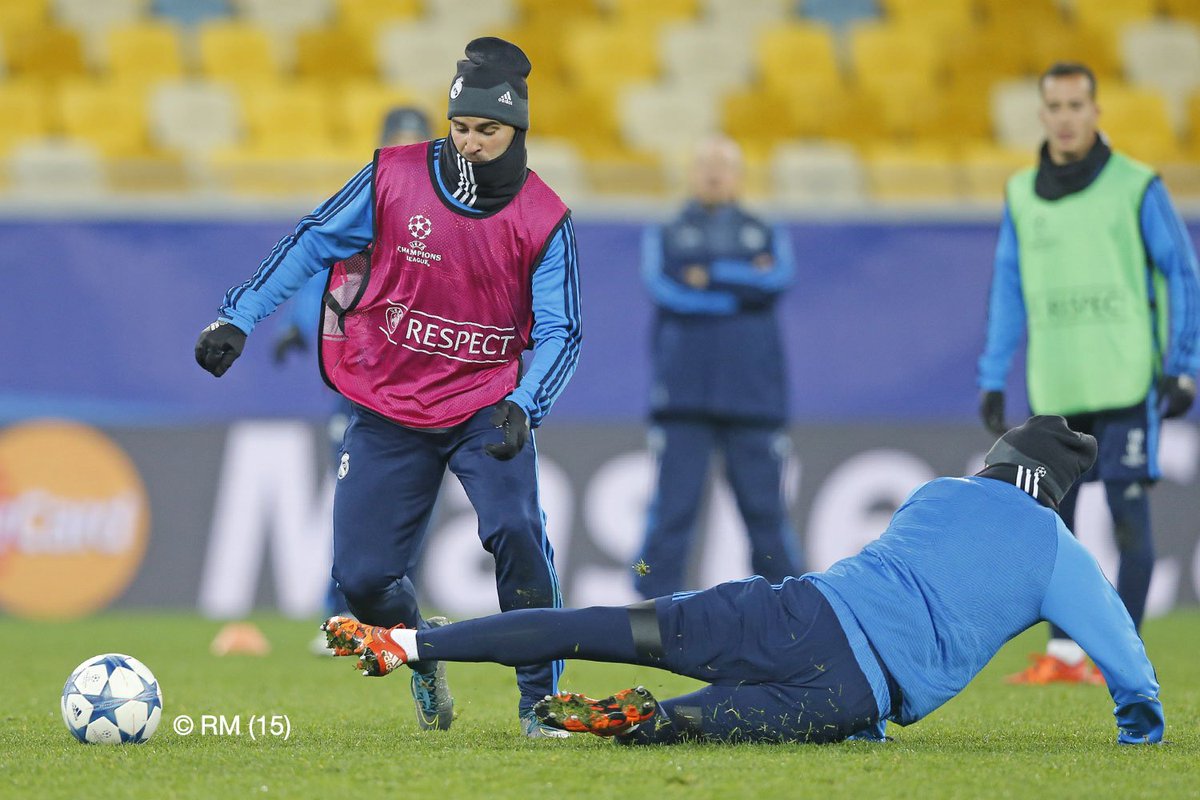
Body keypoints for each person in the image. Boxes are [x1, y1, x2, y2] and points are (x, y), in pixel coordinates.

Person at [321, 416, 1165, 746]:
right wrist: (1142, 727)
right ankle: (634, 725)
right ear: (1055, 493)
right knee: (691, 726)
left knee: (599, 623)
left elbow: (906, 580)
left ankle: (408, 639)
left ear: (999, 462)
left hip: (789, 609)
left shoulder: (939, 493)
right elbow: (1127, 666)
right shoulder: (1059, 552)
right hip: (844, 690)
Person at [194, 38, 582, 738]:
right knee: (364, 581)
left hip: (484, 407)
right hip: (387, 402)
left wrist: (527, 404)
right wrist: (239, 316)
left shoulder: (544, 217)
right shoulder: (392, 176)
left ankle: (539, 705)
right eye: (460, 127)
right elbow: (314, 240)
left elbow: (562, 331)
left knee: (518, 532)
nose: (469, 143)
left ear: (516, 130)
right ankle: (420, 654)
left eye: (486, 131)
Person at [978, 62, 1200, 684]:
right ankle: (1067, 656)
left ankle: (1119, 655)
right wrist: (993, 375)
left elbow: (1182, 273)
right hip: (1057, 389)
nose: (1067, 117)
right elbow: (1008, 289)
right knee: (1055, 525)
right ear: (1043, 114)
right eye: (1056, 106)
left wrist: (1182, 365)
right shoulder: (1022, 193)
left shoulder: (1136, 185)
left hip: (1126, 380)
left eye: (1078, 105)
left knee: (1129, 517)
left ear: (1096, 112)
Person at [271, 107, 435, 650]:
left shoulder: (442, 222)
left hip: (419, 389)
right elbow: (318, 274)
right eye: (399, 142)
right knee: (354, 507)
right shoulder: (362, 207)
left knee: (409, 511)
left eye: (417, 142)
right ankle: (339, 616)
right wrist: (305, 330)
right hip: (362, 388)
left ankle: (390, 620)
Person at [633, 135, 800, 599]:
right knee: (672, 510)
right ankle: (649, 598)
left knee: (765, 512)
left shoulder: (763, 228)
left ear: (739, 176)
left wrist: (712, 277)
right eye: (705, 164)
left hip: (753, 398)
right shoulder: (666, 230)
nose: (713, 173)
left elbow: (780, 279)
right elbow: (663, 289)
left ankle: (788, 603)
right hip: (684, 396)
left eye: (723, 166)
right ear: (691, 172)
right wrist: (744, 286)